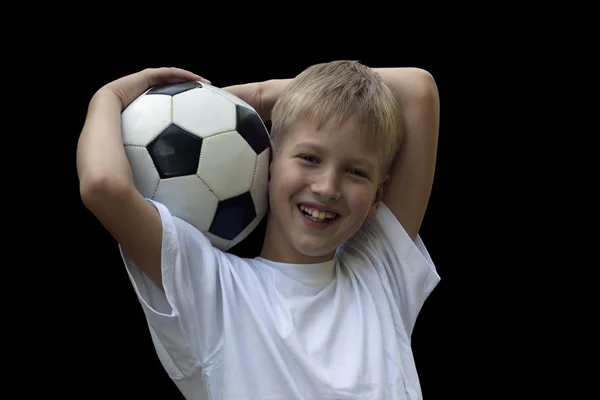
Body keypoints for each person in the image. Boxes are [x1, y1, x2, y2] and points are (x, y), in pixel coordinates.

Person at [76, 60, 441, 399]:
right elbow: (103, 186)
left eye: (356, 172)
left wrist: (264, 98)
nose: (327, 187)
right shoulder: (213, 289)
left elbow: (418, 89)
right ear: (269, 163)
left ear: (378, 196)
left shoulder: (380, 272)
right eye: (310, 159)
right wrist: (108, 97)